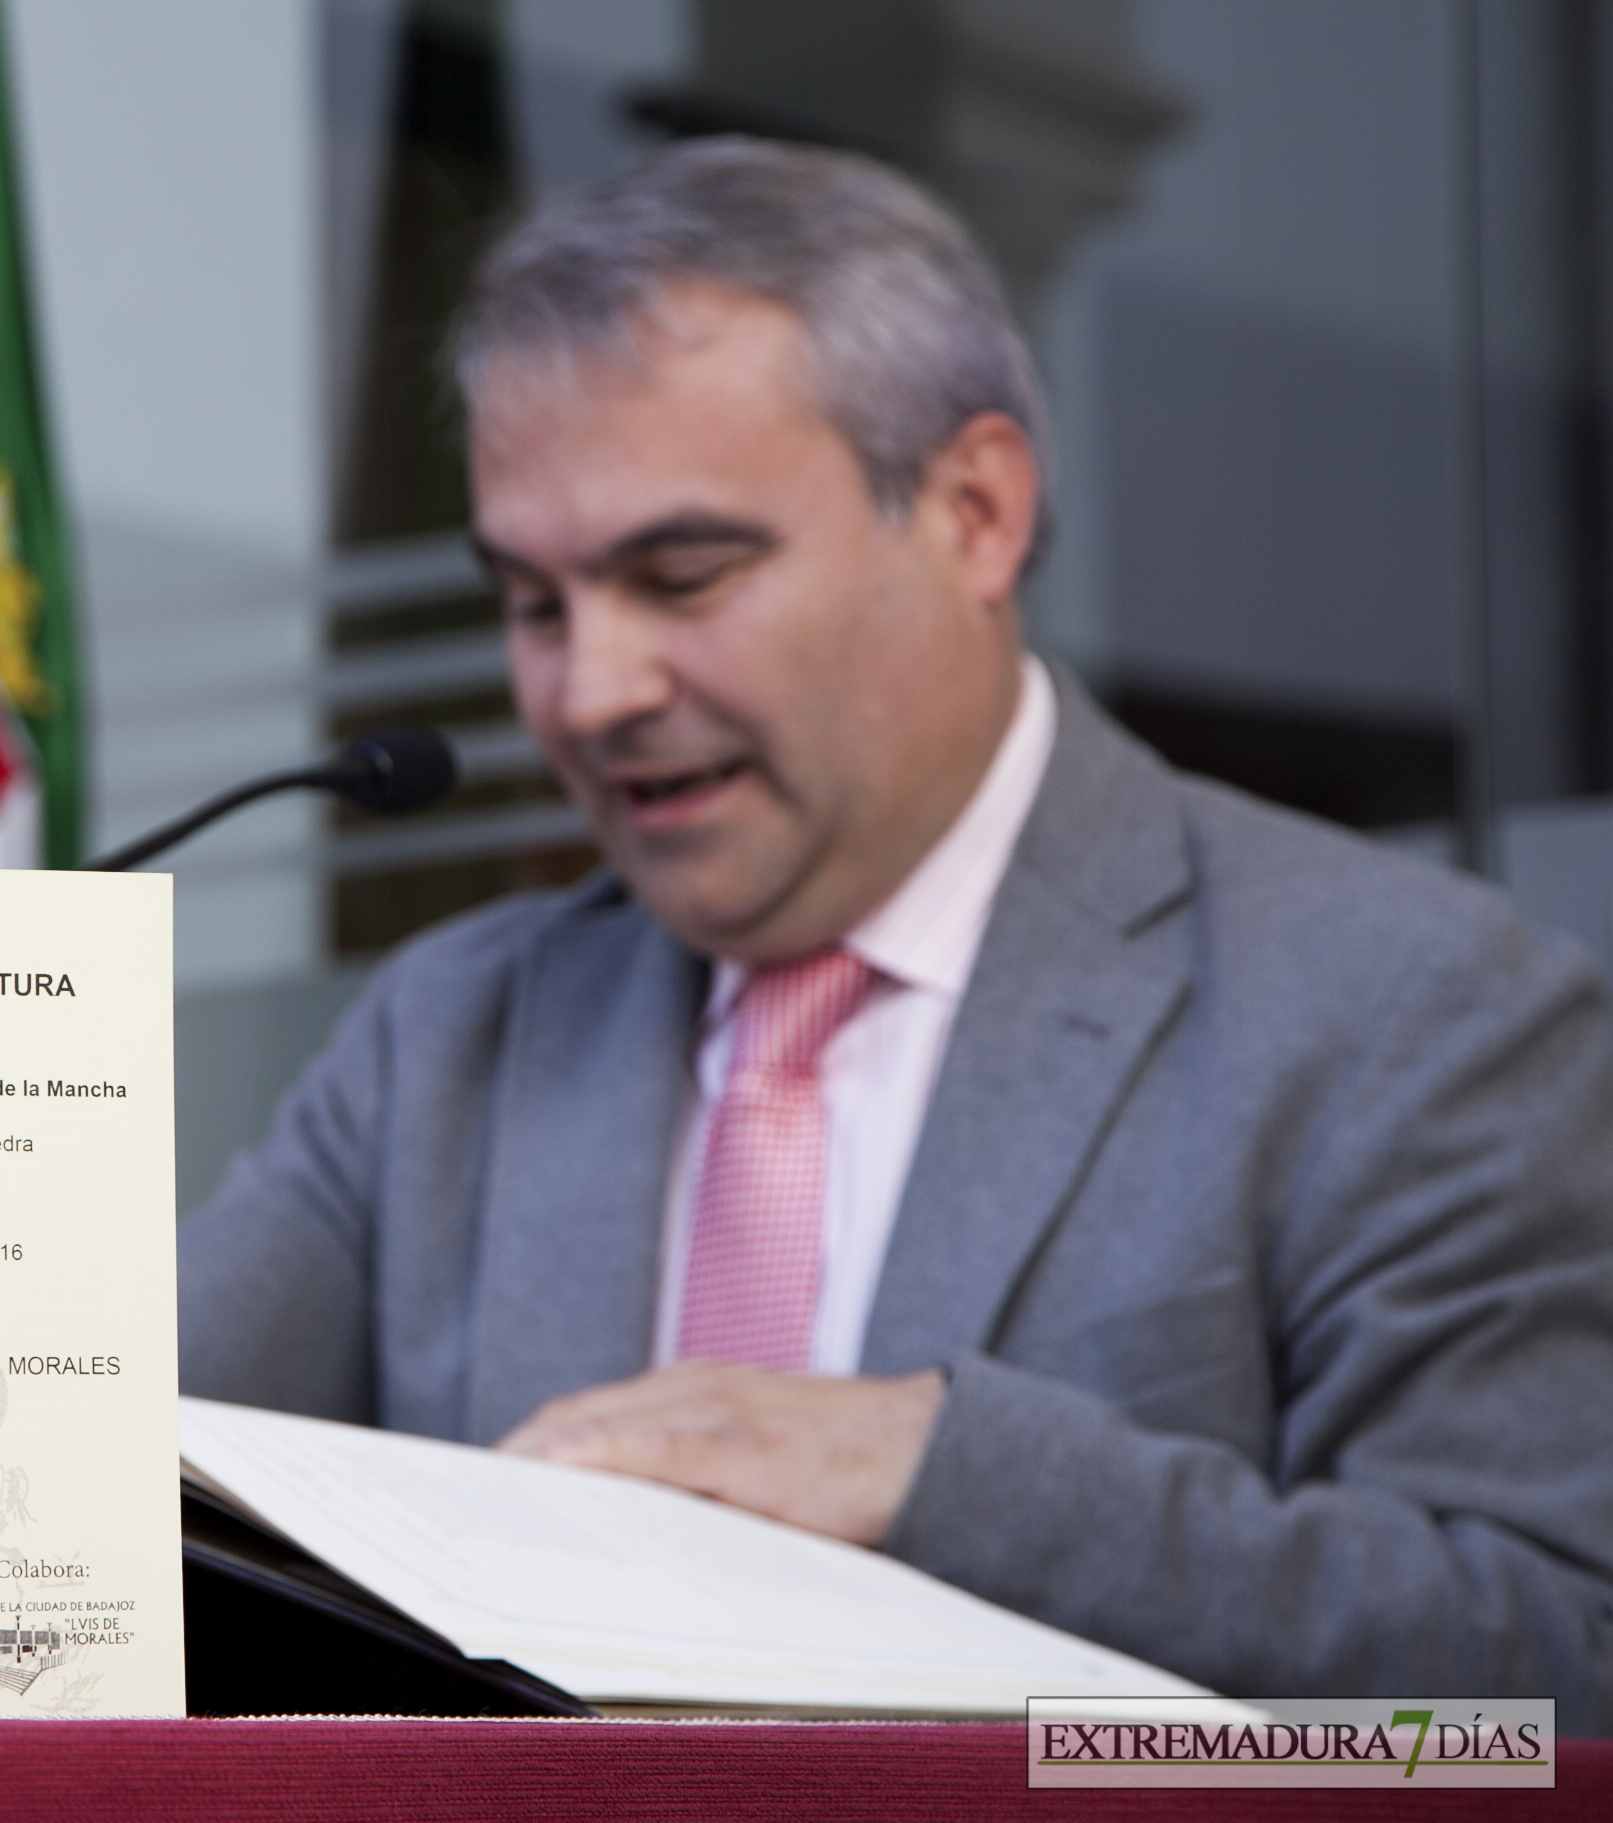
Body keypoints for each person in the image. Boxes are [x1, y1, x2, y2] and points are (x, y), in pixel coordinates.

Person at [178, 138, 1613, 1724]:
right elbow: (117, 1482)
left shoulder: (1407, 1006)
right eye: (535, 605)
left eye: (683, 573)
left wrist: (939, 1474)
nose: (589, 692)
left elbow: (1552, 1671)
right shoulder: (443, 1038)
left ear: (976, 513)